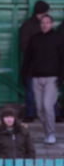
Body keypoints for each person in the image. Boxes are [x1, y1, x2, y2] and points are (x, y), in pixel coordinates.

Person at [22, 14, 61, 144]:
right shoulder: (34, 39)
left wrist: (61, 77)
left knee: (47, 106)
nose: (45, 25)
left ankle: (51, 133)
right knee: (39, 108)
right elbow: (28, 58)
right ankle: (47, 132)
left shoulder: (58, 38)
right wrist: (25, 74)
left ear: (51, 24)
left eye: (47, 22)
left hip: (52, 78)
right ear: (40, 24)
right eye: (43, 22)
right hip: (36, 78)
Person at [19, 0, 50, 123]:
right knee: (31, 91)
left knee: (47, 92)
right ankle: (30, 113)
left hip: (43, 66)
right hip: (32, 66)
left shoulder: (29, 25)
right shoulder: (29, 26)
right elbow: (24, 46)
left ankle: (33, 114)